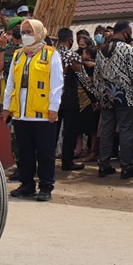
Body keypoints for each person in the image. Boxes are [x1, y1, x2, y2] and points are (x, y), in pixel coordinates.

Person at [2, 19, 63, 202]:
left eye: (29, 32)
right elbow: (10, 83)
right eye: (23, 32)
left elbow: (57, 84)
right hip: (21, 114)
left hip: (43, 115)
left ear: (39, 33)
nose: (26, 36)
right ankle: (27, 184)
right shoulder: (18, 55)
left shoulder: (51, 55)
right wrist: (6, 107)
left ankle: (46, 186)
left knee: (45, 153)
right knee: (25, 152)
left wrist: (54, 108)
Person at [93, 21, 133, 180]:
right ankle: (126, 166)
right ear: (124, 32)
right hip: (126, 96)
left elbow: (96, 76)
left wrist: (101, 94)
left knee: (107, 131)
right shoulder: (128, 49)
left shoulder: (101, 51)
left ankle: (103, 165)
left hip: (107, 96)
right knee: (126, 131)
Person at [0, 16, 23, 181]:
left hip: (29, 98)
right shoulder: (7, 48)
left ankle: (32, 166)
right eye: (17, 27)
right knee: (14, 135)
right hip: (11, 100)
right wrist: (1, 48)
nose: (20, 30)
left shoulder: (32, 47)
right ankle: (20, 166)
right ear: (10, 31)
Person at [55, 27, 85, 171]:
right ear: (71, 40)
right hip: (69, 98)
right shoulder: (72, 56)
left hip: (53, 98)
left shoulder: (50, 54)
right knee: (70, 131)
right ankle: (67, 162)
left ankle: (47, 161)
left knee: (52, 132)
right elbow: (83, 78)